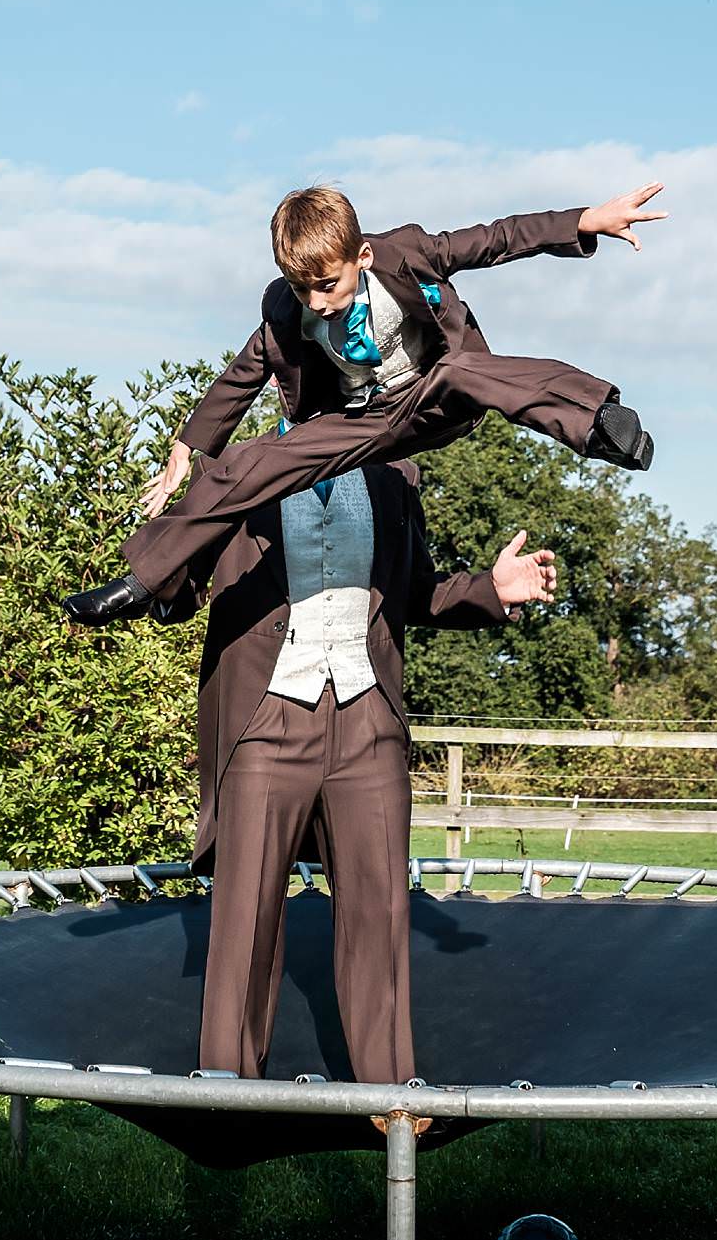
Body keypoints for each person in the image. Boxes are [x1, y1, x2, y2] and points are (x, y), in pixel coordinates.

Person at [62, 181, 663, 626]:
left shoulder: (406, 254)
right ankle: (151, 583)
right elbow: (241, 376)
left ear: (362, 259)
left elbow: (497, 239)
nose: (318, 303)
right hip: (357, 423)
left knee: (461, 370)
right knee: (253, 461)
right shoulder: (286, 313)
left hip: (435, 396)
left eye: (329, 285)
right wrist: (187, 447)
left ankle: (597, 423)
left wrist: (584, 222)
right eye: (304, 290)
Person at [154, 447, 555, 1085]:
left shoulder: (395, 478)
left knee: (381, 913)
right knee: (245, 916)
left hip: (368, 717)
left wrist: (492, 589)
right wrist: (176, 525)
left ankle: (390, 1095)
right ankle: (226, 1091)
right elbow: (175, 595)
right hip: (265, 716)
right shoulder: (234, 469)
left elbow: (416, 593)